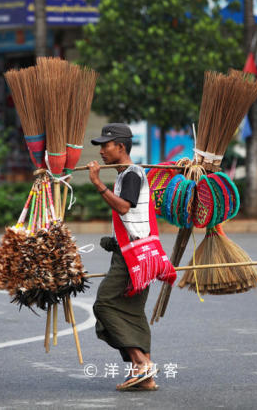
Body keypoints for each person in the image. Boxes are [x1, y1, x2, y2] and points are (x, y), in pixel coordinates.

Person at [88, 123, 167, 392]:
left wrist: (97, 183)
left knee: (105, 305)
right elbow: (134, 218)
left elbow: (124, 207)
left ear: (120, 147)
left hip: (133, 257)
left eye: (105, 146)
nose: (101, 152)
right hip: (139, 252)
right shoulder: (126, 174)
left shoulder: (132, 174)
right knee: (132, 311)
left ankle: (141, 363)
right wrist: (113, 242)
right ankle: (145, 377)